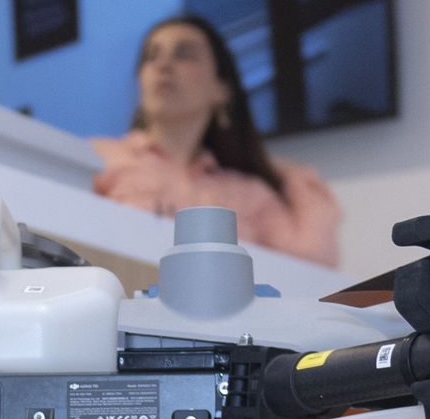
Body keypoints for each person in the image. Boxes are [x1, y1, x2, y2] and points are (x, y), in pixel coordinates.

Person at [90, 14, 342, 265]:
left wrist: (289, 173)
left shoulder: (250, 193)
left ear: (222, 90)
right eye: (151, 56)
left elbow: (314, 263)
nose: (163, 65)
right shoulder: (98, 157)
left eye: (184, 54)